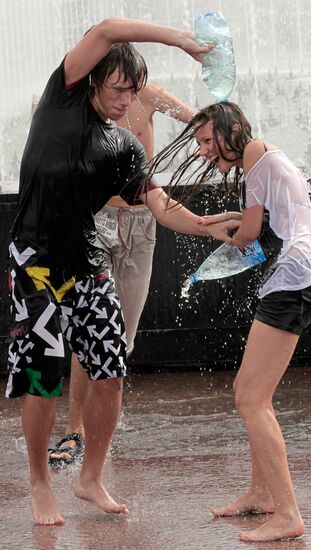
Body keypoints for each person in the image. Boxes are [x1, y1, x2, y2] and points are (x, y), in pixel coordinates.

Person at [6, 17, 214, 526]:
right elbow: (108, 29)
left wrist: (209, 226)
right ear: (95, 81)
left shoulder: (124, 147)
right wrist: (180, 40)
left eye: (134, 92)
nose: (127, 102)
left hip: (87, 262)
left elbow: (158, 205)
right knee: (43, 376)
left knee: (111, 370)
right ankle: (38, 482)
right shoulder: (63, 98)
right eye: (119, 89)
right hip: (35, 261)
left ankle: (90, 477)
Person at [147, 101, 311, 543]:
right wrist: (216, 223)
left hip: (293, 280)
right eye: (199, 143)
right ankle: (262, 494)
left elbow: (248, 236)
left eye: (208, 140)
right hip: (296, 277)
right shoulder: (263, 157)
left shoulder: (256, 157)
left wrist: (212, 227)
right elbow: (257, 225)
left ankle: (287, 513)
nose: (204, 151)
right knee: (252, 395)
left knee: (251, 398)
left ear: (231, 129)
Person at [48, 83, 197, 465]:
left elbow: (195, 118)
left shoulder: (147, 95)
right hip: (94, 219)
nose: (122, 94)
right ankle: (75, 430)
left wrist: (235, 140)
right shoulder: (82, 104)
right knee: (90, 326)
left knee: (121, 338)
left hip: (141, 222)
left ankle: (102, 423)